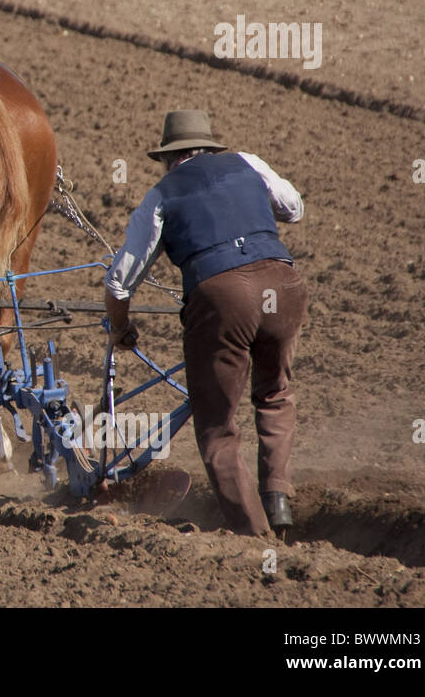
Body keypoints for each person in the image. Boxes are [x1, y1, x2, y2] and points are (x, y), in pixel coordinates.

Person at [103, 110, 307, 536]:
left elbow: (120, 283)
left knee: (217, 425)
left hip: (221, 298)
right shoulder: (247, 162)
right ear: (209, 148)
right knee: (274, 394)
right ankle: (277, 495)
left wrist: (120, 329)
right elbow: (294, 208)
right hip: (283, 285)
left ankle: (255, 535)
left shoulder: (161, 195)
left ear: (169, 158)